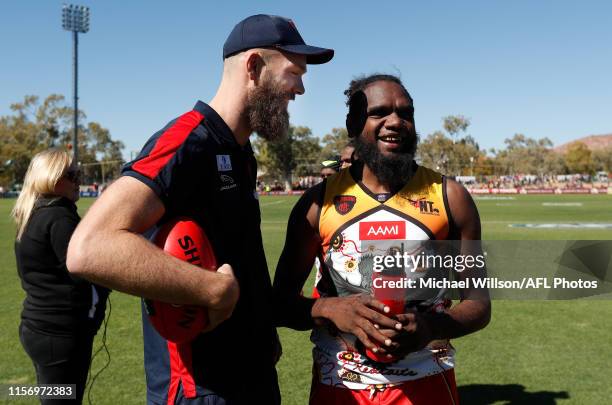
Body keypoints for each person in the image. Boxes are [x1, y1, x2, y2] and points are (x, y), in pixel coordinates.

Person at [66, 14, 333, 405]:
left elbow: (238, 254)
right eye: (294, 72)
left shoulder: (241, 152)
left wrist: (260, 329)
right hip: (201, 391)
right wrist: (211, 289)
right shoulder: (188, 142)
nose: (301, 89)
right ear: (254, 67)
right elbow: (89, 247)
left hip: (251, 374)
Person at [273, 74, 490, 404]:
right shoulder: (318, 203)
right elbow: (279, 304)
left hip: (426, 385)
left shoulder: (451, 197)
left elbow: (479, 304)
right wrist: (330, 309)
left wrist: (431, 326)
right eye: (380, 113)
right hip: (340, 387)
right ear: (353, 123)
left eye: (406, 113)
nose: (396, 122)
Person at [12, 149, 109, 404]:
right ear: (53, 179)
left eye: (78, 173)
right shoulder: (58, 217)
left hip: (38, 327)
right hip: (59, 333)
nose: (79, 180)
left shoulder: (35, 212)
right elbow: (88, 270)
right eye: (72, 174)